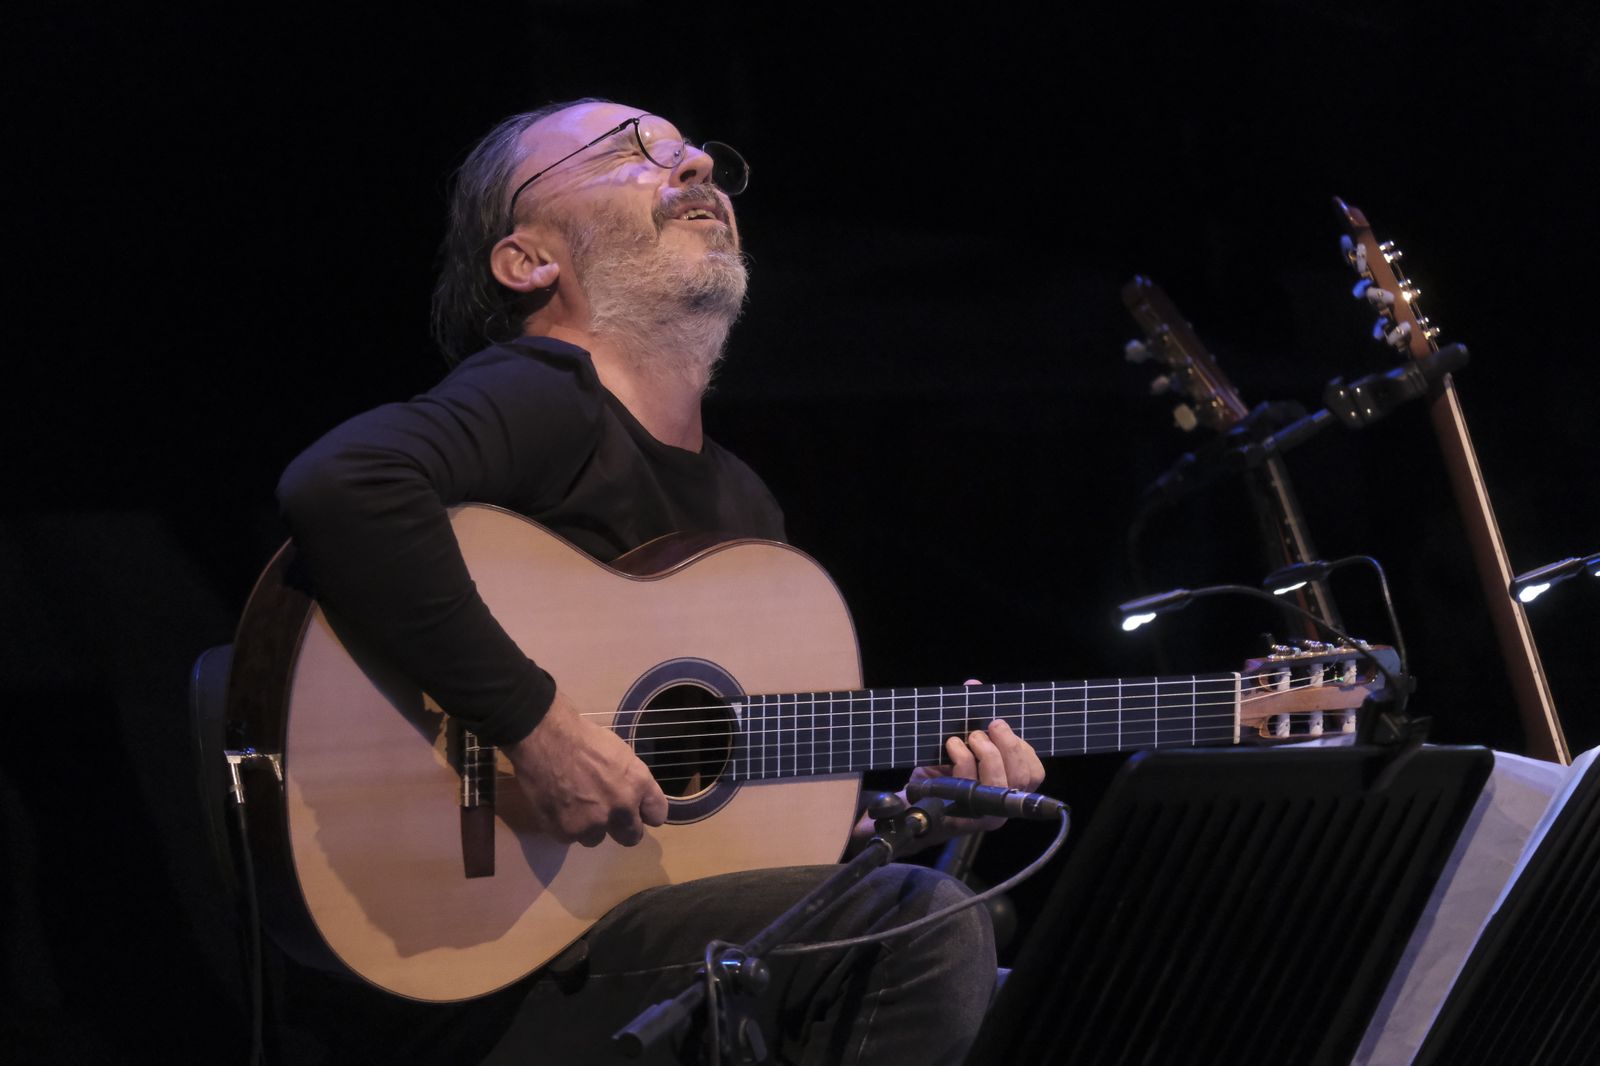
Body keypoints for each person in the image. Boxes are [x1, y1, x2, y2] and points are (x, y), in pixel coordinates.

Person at [275, 98, 1045, 1064]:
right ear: (527, 261)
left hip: (612, 940)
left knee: (967, 937)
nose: (694, 171)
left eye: (698, 157)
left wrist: (915, 822)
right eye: (629, 152)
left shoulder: (743, 508)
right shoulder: (546, 393)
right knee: (923, 929)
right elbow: (345, 483)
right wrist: (534, 726)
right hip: (479, 974)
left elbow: (730, 852)